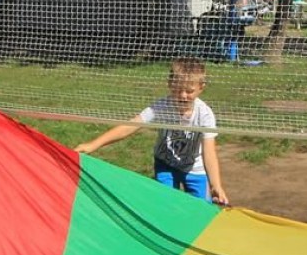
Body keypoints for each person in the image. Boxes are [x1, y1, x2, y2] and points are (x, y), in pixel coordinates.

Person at [75, 57, 230, 205]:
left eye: (189, 91)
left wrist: (215, 184)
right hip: (165, 165)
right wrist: (93, 145)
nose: (183, 95)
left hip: (194, 169)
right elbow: (131, 125)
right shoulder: (162, 106)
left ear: (201, 88)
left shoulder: (205, 114)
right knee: (165, 203)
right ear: (169, 84)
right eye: (177, 89)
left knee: (202, 210)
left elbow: (209, 152)